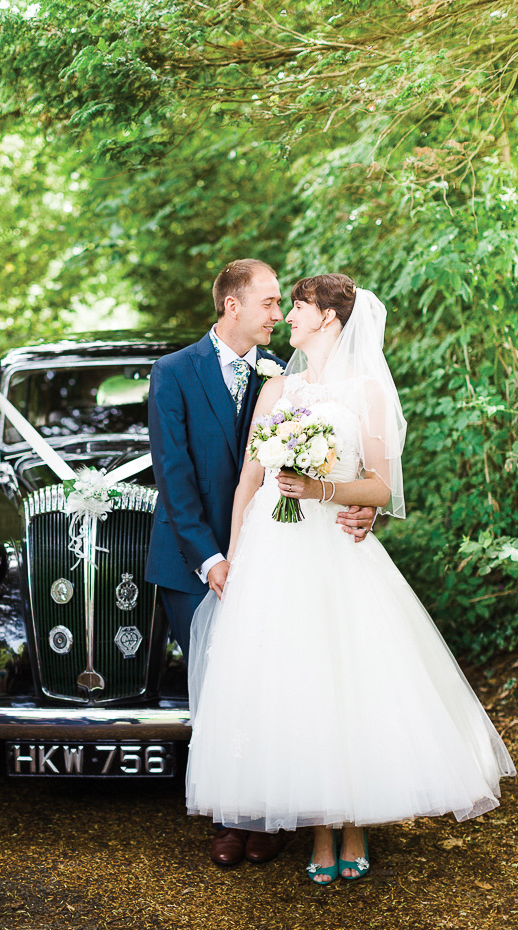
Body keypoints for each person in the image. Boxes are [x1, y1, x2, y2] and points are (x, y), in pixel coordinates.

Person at [185, 273, 515, 883]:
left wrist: (323, 489)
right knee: (295, 683)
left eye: (300, 307)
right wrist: (233, 559)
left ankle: (357, 819)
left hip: (335, 545)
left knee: (347, 677)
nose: (289, 316)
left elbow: (382, 488)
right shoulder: (277, 387)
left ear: (330, 318)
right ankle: (319, 828)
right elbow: (248, 482)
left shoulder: (367, 390)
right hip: (275, 550)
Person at [146, 260, 377, 865]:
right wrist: (216, 558)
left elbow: (344, 466)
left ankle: (272, 816)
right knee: (221, 691)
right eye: (270, 304)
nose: (278, 314)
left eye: (285, 305)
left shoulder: (280, 375)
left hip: (280, 548)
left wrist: (359, 506)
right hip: (196, 556)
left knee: (274, 681)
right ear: (233, 307)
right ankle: (230, 819)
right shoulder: (174, 372)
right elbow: (173, 475)